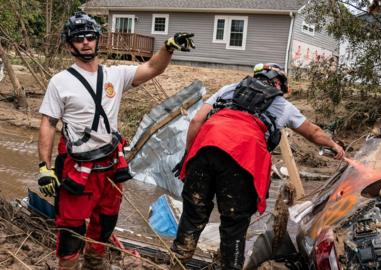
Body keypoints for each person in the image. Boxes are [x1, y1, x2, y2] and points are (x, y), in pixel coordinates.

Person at [36, 11, 195, 269]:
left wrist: (168, 47)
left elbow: (153, 67)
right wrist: (43, 167)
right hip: (77, 167)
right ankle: (68, 265)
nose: (85, 42)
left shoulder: (116, 75)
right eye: (79, 38)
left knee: (106, 219)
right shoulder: (60, 82)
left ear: (98, 40)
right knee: (71, 226)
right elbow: (48, 124)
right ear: (69, 45)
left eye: (90, 37)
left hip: (110, 165)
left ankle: (95, 260)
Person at [171, 63, 345, 269]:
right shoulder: (282, 105)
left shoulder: (228, 89)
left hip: (206, 148)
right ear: (279, 83)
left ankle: (176, 263)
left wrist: (188, 156)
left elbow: (196, 121)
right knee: (233, 225)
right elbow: (313, 132)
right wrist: (334, 146)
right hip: (242, 157)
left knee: (193, 214)